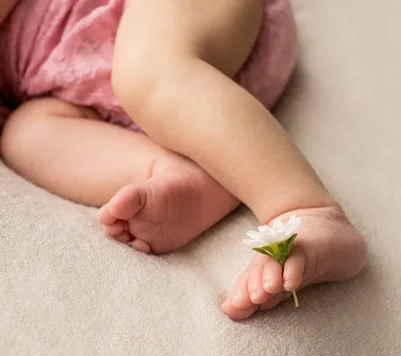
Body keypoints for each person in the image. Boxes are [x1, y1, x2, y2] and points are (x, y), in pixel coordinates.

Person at [0, 0, 367, 320]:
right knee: (23, 135)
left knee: (148, 72)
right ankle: (180, 174)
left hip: (183, 21)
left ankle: (306, 208)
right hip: (125, 98)